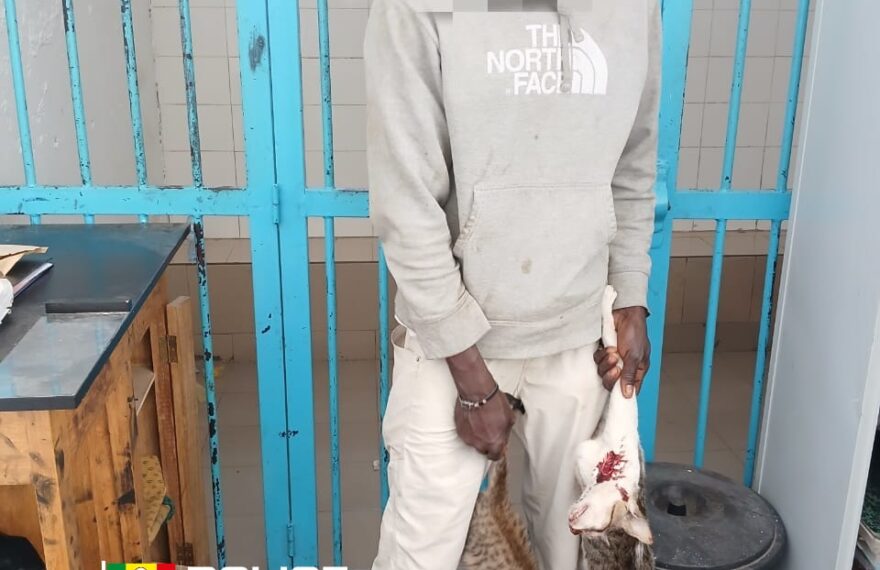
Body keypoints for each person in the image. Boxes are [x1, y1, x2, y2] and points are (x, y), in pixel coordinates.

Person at [365, 0, 660, 567]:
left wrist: (629, 297)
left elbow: (633, 163)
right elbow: (406, 201)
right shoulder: (413, 9)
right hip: (452, 346)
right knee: (419, 554)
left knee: (566, 551)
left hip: (577, 342)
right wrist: (470, 378)